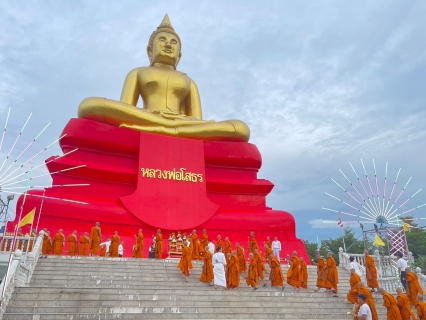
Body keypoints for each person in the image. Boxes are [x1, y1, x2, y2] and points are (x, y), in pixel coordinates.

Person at [77, 14, 250, 142]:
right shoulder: (138, 72)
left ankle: (166, 129)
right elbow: (126, 110)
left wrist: (181, 122)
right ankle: (167, 127)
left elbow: (197, 119)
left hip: (176, 123)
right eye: (162, 40)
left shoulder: (188, 80)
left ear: (179, 56)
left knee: (241, 128)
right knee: (88, 105)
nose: (168, 44)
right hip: (148, 117)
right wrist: (153, 116)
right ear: (150, 51)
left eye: (173, 42)